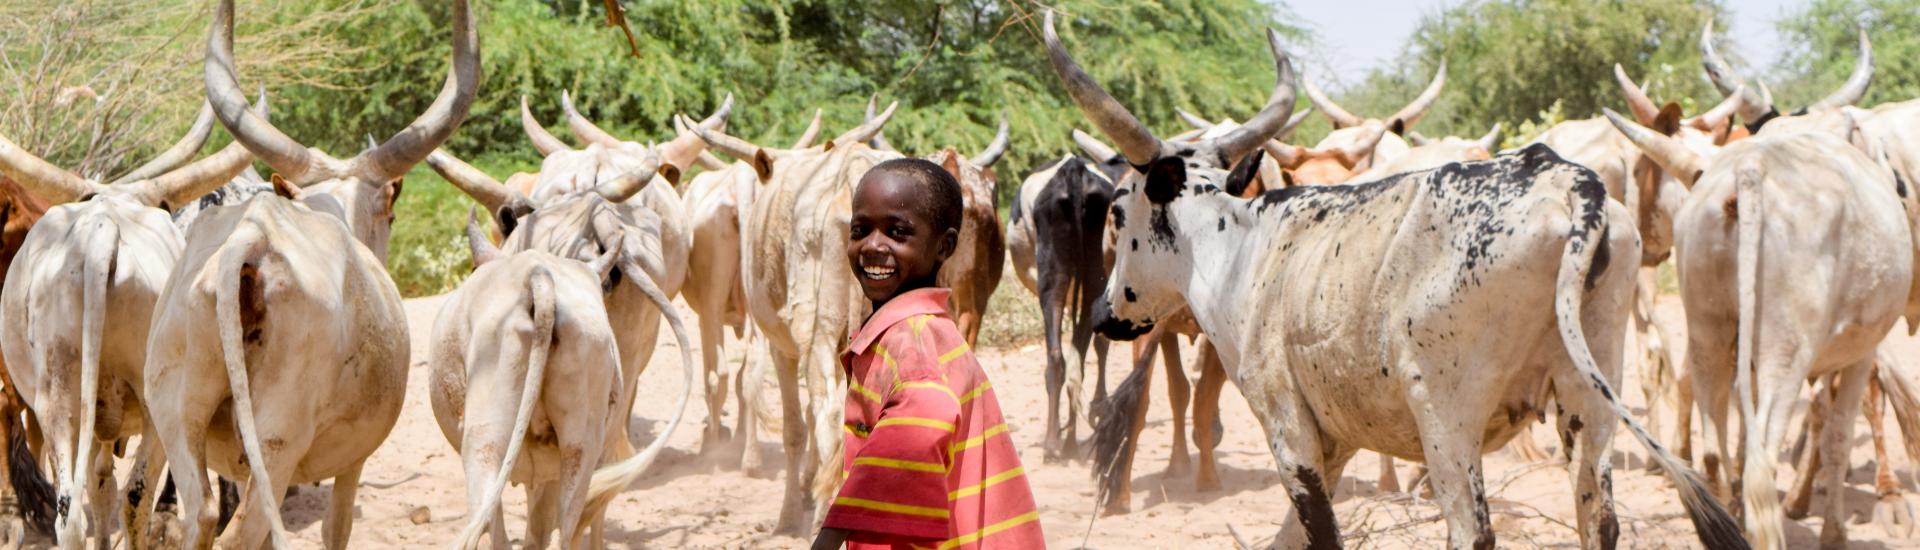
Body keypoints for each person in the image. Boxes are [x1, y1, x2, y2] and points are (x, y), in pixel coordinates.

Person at [812, 158, 1045, 549]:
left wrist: (825, 543)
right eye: (860, 229)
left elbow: (905, 446)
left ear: (945, 246)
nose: (873, 245)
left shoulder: (913, 343)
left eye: (898, 232)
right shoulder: (923, 328)